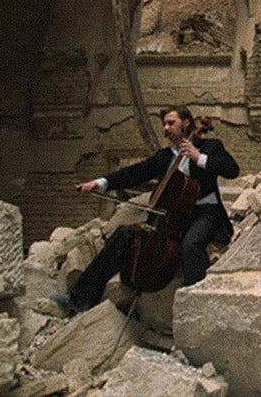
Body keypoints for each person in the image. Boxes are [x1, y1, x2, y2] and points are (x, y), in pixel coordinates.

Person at [53, 106, 240, 313]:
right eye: (164, 124)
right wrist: (100, 183)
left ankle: (197, 308)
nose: (166, 128)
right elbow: (134, 173)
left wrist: (199, 157)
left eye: (171, 123)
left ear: (187, 123)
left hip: (205, 212)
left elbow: (232, 170)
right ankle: (81, 298)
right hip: (170, 217)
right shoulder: (164, 156)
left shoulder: (210, 146)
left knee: (191, 244)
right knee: (124, 235)